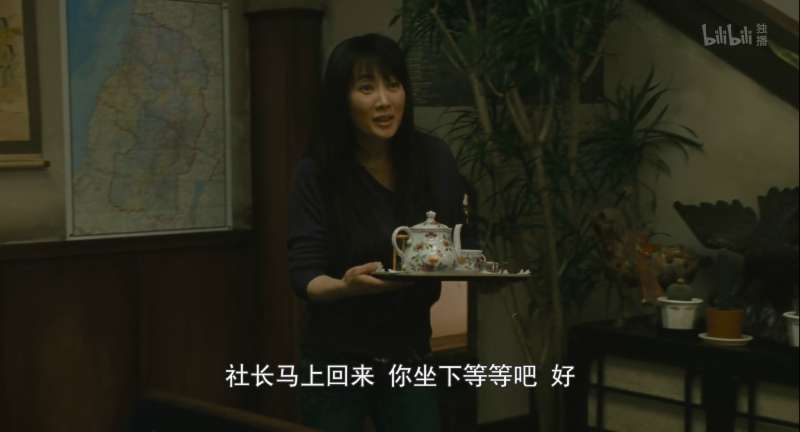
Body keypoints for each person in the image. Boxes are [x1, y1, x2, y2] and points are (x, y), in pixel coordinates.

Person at [287, 33, 472, 431]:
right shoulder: (316, 172)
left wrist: (483, 275)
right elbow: (304, 276)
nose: (385, 101)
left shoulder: (433, 157)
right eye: (366, 88)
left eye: (393, 84)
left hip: (409, 354)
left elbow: (457, 241)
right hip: (335, 359)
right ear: (342, 99)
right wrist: (345, 286)